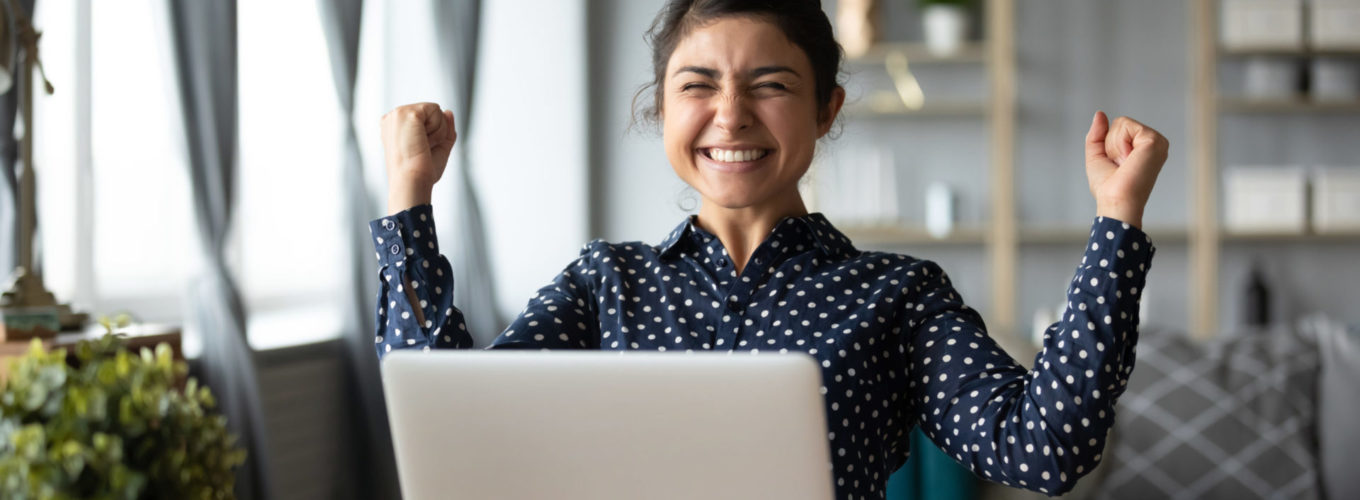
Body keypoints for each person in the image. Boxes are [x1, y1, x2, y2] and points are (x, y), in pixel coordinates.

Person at [368, 0, 1167, 498]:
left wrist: (1116, 219)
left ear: (827, 109)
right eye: (698, 84)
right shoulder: (602, 283)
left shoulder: (897, 294)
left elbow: (1047, 449)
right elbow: (455, 431)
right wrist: (410, 197)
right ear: (660, 110)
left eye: (771, 84)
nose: (731, 115)